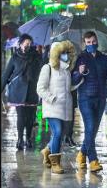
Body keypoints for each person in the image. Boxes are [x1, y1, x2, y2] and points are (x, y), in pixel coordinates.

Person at [72, 31, 107, 172]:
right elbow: (73, 80)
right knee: (90, 126)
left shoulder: (105, 59)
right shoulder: (80, 58)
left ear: (97, 41)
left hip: (101, 98)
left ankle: (81, 153)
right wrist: (78, 72)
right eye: (88, 42)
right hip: (85, 98)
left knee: (92, 130)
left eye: (93, 41)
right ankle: (93, 160)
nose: (91, 44)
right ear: (84, 43)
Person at [36, 40, 81, 174]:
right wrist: (52, 98)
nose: (65, 55)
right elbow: (40, 88)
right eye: (62, 53)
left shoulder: (66, 70)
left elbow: (67, 89)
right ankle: (55, 163)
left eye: (67, 52)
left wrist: (79, 82)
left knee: (59, 135)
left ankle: (47, 150)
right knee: (58, 132)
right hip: (52, 108)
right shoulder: (47, 68)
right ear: (56, 54)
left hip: (65, 108)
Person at [1, 33, 43, 151]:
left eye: (29, 44)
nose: (27, 46)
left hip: (32, 91)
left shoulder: (36, 56)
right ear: (20, 44)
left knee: (30, 117)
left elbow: (42, 71)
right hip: (18, 91)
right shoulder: (15, 57)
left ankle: (28, 138)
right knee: (21, 116)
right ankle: (20, 139)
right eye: (25, 44)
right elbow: (6, 74)